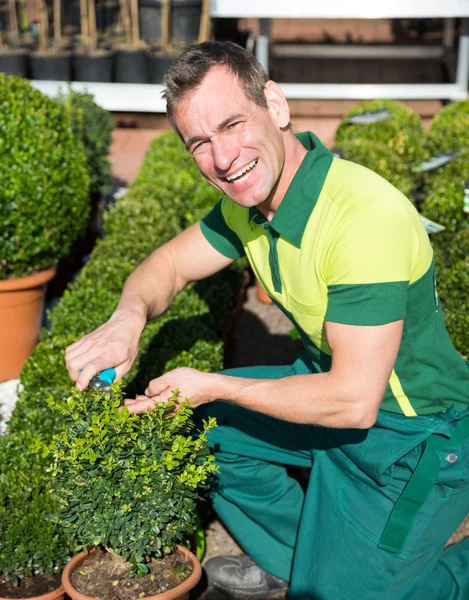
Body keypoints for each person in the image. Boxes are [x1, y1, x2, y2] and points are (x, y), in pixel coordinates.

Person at [65, 41, 469, 600]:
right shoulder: (249, 202)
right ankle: (303, 563)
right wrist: (126, 320)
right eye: (200, 143)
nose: (223, 158)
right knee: (202, 436)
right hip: (334, 392)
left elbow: (355, 401)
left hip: (413, 434)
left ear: (275, 105)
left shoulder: (362, 219)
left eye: (232, 125)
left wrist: (211, 385)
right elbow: (170, 264)